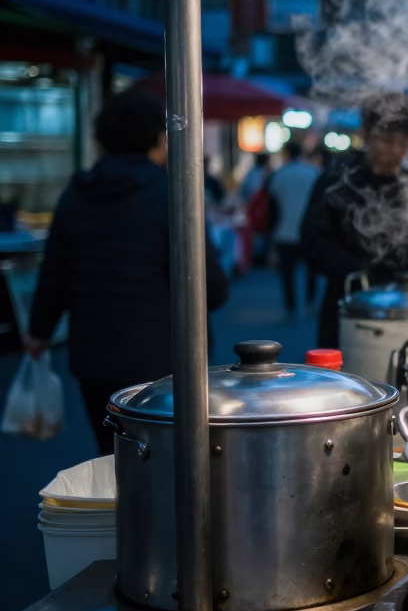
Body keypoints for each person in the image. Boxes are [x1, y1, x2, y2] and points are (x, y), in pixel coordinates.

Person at [25, 90, 229, 455]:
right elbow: (211, 287)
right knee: (168, 460)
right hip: (165, 359)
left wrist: (39, 332)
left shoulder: (77, 192)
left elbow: (55, 272)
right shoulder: (172, 193)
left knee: (112, 454)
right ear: (156, 138)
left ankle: (113, 512)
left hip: (94, 356)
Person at [302, 96, 408, 348]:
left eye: (403, 143)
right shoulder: (337, 184)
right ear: (365, 135)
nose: (395, 151)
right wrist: (362, 270)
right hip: (352, 303)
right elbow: (314, 241)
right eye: (387, 141)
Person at [269, 140, 321, 320]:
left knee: (287, 274)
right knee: (311, 271)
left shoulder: (279, 175)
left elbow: (272, 206)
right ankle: (310, 303)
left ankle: (290, 308)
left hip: (284, 230)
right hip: (310, 232)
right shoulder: (314, 173)